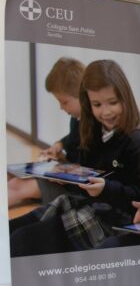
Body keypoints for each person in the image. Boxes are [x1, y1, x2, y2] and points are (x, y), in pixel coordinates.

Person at [9, 60, 140, 257]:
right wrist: (65, 175)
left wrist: (105, 188)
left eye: (112, 102)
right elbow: (86, 177)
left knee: (23, 241)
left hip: (111, 219)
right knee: (13, 230)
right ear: (88, 104)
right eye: (97, 105)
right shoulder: (92, 130)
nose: (106, 112)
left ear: (125, 98)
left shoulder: (138, 143)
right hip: (82, 204)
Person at [8, 57, 85, 207]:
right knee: (11, 174)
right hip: (64, 171)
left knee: (17, 185)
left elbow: (91, 166)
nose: (61, 108)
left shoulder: (95, 125)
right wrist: (59, 145)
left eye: (64, 102)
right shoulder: (78, 118)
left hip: (73, 188)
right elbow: (74, 138)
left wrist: (62, 169)